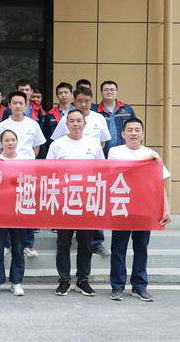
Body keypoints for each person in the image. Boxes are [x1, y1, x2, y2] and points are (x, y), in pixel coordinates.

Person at [108, 118, 171, 302]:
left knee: (141, 249)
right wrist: (146, 160)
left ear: (142, 134)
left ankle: (139, 286)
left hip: (145, 208)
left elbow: (159, 183)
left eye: (137, 130)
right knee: (118, 249)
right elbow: (125, 170)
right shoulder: (115, 152)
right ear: (123, 134)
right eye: (130, 130)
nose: (133, 133)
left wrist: (166, 209)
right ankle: (117, 287)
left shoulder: (151, 154)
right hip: (122, 207)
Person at [47, 109, 104, 297]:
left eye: (79, 120)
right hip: (64, 200)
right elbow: (48, 172)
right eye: (71, 121)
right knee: (63, 243)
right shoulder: (57, 145)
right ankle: (64, 280)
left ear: (85, 124)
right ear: (66, 124)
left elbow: (102, 171)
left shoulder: (93, 144)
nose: (75, 124)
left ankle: (82, 280)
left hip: (87, 200)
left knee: (86, 243)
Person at [51, 87, 112, 256]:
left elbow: (103, 144)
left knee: (91, 219)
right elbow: (56, 149)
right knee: (65, 231)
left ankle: (96, 244)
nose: (83, 104)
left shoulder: (99, 119)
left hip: (89, 184)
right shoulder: (66, 120)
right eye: (80, 101)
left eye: (87, 101)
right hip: (66, 186)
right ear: (74, 101)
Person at [0, 91, 46, 257]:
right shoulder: (2, 126)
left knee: (26, 207)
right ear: (9, 105)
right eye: (14, 103)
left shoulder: (33, 124)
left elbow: (36, 148)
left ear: (26, 105)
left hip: (26, 173)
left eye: (21, 103)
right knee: (6, 208)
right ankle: (7, 244)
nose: (17, 106)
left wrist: (24, 164)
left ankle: (28, 244)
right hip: (6, 174)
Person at [0, 129, 27, 297]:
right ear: (1, 143)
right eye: (6, 140)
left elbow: (32, 183)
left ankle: (16, 282)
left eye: (13, 140)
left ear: (17, 142)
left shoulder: (26, 161)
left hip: (19, 210)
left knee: (18, 247)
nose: (10, 143)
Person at [95, 81, 136, 158]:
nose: (109, 92)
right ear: (101, 93)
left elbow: (136, 129)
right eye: (106, 90)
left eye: (112, 90)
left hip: (124, 153)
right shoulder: (95, 111)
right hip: (102, 154)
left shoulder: (127, 110)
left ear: (116, 92)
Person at [43, 82, 74, 146]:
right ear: (57, 96)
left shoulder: (79, 113)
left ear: (71, 94)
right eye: (60, 93)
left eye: (66, 92)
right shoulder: (50, 115)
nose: (63, 95)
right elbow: (47, 136)